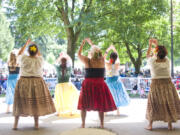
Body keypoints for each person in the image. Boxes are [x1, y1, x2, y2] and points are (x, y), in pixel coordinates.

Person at [13, 39, 56, 130]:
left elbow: (19, 53)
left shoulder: (24, 58)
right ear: (36, 51)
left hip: (24, 81)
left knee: (20, 103)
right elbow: (39, 54)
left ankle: (15, 124)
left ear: (28, 51)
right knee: (36, 102)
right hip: (37, 82)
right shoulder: (40, 60)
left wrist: (26, 44)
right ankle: (36, 124)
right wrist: (34, 45)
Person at [77, 38, 117, 128]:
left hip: (88, 84)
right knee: (101, 104)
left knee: (84, 104)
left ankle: (83, 124)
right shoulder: (102, 60)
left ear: (91, 53)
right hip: (99, 84)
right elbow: (97, 52)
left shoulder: (87, 60)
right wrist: (92, 44)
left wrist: (82, 44)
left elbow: (78, 54)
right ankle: (102, 124)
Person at [145, 38, 180, 130]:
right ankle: (170, 125)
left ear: (156, 52)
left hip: (156, 84)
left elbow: (148, 55)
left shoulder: (153, 61)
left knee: (153, 104)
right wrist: (157, 45)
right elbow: (161, 53)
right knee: (168, 102)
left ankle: (150, 125)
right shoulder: (167, 61)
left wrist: (150, 45)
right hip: (167, 83)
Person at [104, 45, 130, 115]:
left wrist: (108, 49)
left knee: (107, 96)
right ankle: (117, 111)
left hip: (109, 81)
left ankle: (105, 112)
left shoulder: (107, 63)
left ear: (110, 57)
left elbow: (103, 58)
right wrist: (114, 49)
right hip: (116, 81)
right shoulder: (117, 63)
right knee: (116, 96)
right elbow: (117, 57)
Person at [54, 52, 79, 117]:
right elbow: (69, 61)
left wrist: (63, 57)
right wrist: (63, 57)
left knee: (65, 98)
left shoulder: (65, 68)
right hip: (63, 85)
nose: (63, 63)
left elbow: (56, 62)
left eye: (63, 61)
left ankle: (66, 111)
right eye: (63, 61)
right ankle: (63, 111)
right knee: (63, 98)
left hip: (64, 85)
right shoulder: (64, 68)